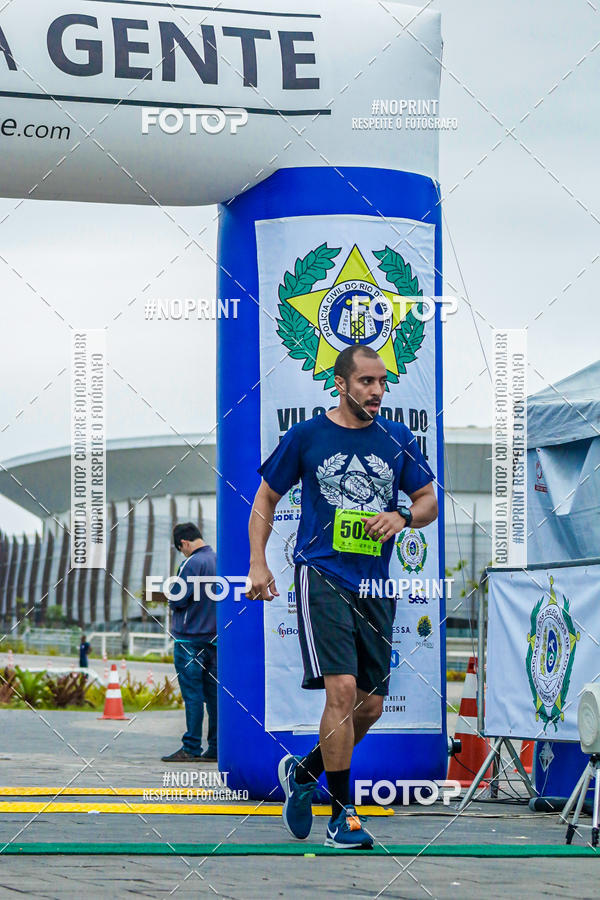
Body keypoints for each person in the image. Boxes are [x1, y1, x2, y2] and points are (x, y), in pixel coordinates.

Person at [247, 345, 438, 849]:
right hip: (322, 573)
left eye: (382, 383)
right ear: (340, 383)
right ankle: (342, 817)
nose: (376, 392)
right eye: (367, 382)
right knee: (343, 691)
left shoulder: (397, 439)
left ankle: (306, 772)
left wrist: (402, 517)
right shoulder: (307, 436)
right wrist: (258, 561)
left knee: (372, 707)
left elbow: (428, 500)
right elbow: (266, 497)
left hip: (375, 583)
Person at [161, 522, 218, 763]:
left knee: (193, 695)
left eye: (180, 548)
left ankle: (191, 746)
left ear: (184, 543)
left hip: (189, 641)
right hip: (215, 641)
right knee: (214, 695)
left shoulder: (191, 563)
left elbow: (177, 599)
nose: (182, 552)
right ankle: (216, 747)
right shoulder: (219, 560)